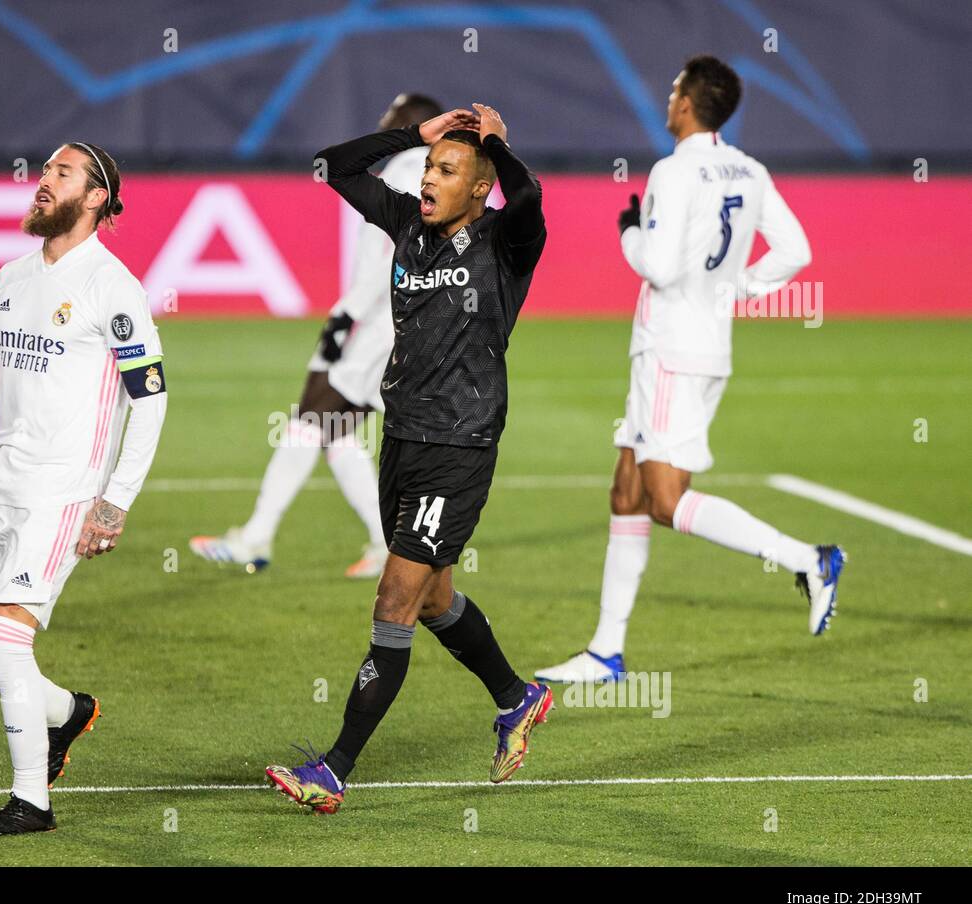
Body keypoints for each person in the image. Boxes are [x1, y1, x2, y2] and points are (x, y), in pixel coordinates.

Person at [265, 104, 551, 813]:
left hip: (461, 446)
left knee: (393, 599)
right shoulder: (406, 229)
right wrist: (414, 135)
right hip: (402, 440)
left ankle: (333, 771)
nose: (428, 178)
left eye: (446, 171)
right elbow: (332, 165)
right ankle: (518, 698)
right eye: (428, 167)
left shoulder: (505, 243)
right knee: (432, 600)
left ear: (479, 188)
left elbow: (531, 198)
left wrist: (497, 145)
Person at [534, 56, 844, 686]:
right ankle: (605, 652)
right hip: (700, 347)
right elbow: (798, 251)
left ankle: (808, 559)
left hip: (671, 351)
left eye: (674, 89)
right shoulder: (749, 170)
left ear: (687, 103)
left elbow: (659, 265)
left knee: (666, 502)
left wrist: (627, 232)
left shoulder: (674, 172)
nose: (667, 98)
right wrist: (740, 287)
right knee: (627, 491)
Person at [0, 142, 167, 835]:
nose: (43, 182)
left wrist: (115, 501)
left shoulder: (114, 287)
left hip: (62, 492)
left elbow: (152, 399)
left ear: (99, 196)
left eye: (62, 173)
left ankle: (31, 802)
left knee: (6, 636)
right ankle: (64, 713)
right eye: (44, 171)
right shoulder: (13, 277)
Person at [189, 93, 442, 579]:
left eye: (391, 114)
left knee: (310, 418)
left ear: (411, 121)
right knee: (338, 430)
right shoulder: (443, 170)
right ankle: (384, 543)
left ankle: (256, 537)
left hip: (382, 320)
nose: (383, 119)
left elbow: (395, 250)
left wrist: (346, 314)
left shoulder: (410, 165)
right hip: (407, 318)